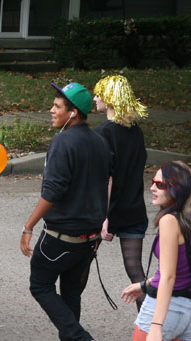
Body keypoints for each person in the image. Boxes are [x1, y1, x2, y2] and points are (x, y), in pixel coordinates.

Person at [21, 82, 112, 341]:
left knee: (40, 285)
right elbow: (109, 182)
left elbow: (52, 191)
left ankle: (80, 337)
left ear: (72, 113)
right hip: (89, 238)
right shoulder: (100, 141)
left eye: (57, 107)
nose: (51, 110)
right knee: (71, 293)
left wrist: (28, 226)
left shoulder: (62, 141)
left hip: (61, 237)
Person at [94, 75, 149, 310]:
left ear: (109, 99)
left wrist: (104, 217)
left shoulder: (103, 132)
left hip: (109, 211)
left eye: (99, 94)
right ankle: (150, 325)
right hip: (134, 210)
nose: (95, 98)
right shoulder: (136, 132)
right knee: (136, 272)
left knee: (79, 264)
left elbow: (107, 178)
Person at [121, 161, 191, 341]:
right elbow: (182, 268)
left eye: (160, 185)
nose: (152, 187)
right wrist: (144, 285)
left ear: (177, 189)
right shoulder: (187, 221)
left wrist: (156, 325)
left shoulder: (169, 221)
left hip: (166, 309)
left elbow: (169, 276)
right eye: (153, 182)